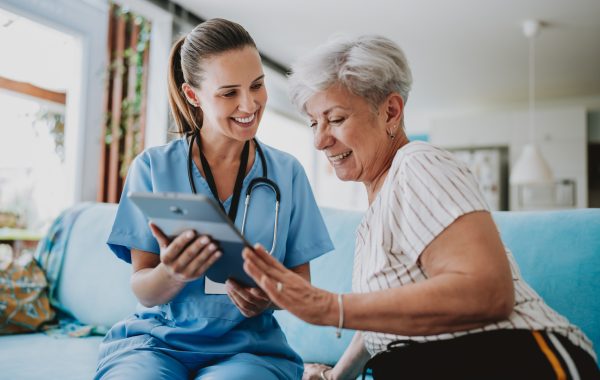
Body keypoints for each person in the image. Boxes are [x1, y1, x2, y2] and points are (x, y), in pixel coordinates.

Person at [242, 35, 599, 379]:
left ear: (391, 112)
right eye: (313, 123)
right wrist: (336, 375)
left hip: (513, 356)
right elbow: (388, 319)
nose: (320, 140)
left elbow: (487, 291)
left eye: (335, 119)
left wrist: (330, 307)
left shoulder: (417, 164)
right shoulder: (380, 208)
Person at [95, 18, 333, 380]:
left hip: (249, 349)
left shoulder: (288, 175)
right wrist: (171, 273)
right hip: (156, 343)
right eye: (229, 92)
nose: (249, 104)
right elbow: (144, 288)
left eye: (257, 86)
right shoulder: (152, 168)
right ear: (193, 95)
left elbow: (303, 286)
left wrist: (269, 297)